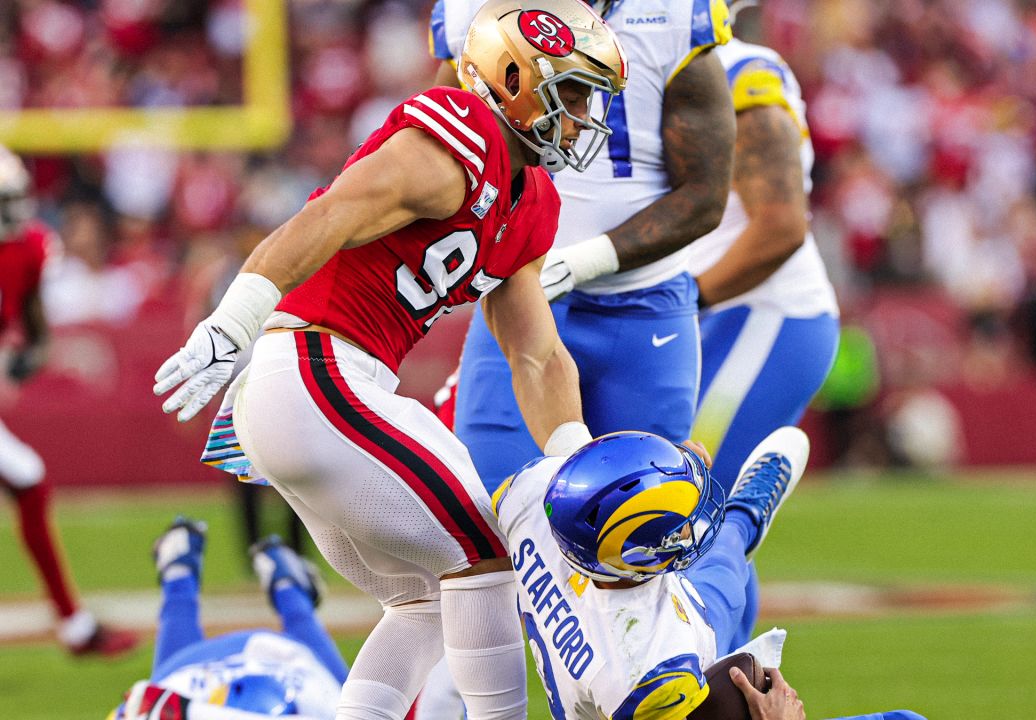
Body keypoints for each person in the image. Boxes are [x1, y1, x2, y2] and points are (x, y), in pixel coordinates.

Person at [153, 3, 627, 719]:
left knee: (425, 603)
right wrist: (235, 318)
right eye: (576, 92)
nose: (585, 114)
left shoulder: (533, 199)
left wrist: (575, 455)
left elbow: (535, 351)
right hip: (315, 367)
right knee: (484, 554)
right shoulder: (462, 131)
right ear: (511, 78)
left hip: (326, 385)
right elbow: (331, 212)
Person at [431, 0, 738, 492]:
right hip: (517, 302)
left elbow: (704, 198)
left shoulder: (673, 14)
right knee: (495, 508)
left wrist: (577, 263)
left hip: (643, 310)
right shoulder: (475, 13)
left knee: (638, 534)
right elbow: (441, 151)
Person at [479, 426, 924, 720]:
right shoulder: (650, 667)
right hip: (672, 647)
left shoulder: (537, 497)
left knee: (729, 553)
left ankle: (745, 516)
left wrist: (659, 471)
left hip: (637, 617)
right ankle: (742, 518)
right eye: (677, 528)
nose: (689, 525)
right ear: (637, 559)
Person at [686, 1, 840, 652]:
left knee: (684, 512)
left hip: (765, 314)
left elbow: (779, 225)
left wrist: (680, 299)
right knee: (694, 518)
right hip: (714, 319)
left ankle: (701, 679)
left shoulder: (739, 71)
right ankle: (734, 682)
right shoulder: (644, 77)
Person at [0, 146, 138, 658]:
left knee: (30, 482)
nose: (10, 212)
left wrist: (30, 356)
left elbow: (33, 323)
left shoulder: (30, 246)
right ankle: (75, 626)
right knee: (29, 480)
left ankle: (75, 626)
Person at [110, 519, 347, 720]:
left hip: (199, 672)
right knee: (356, 700)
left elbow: (143, 705)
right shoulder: (322, 703)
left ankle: (286, 584)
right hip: (264, 659)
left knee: (358, 699)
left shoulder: (318, 701)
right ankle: (179, 570)